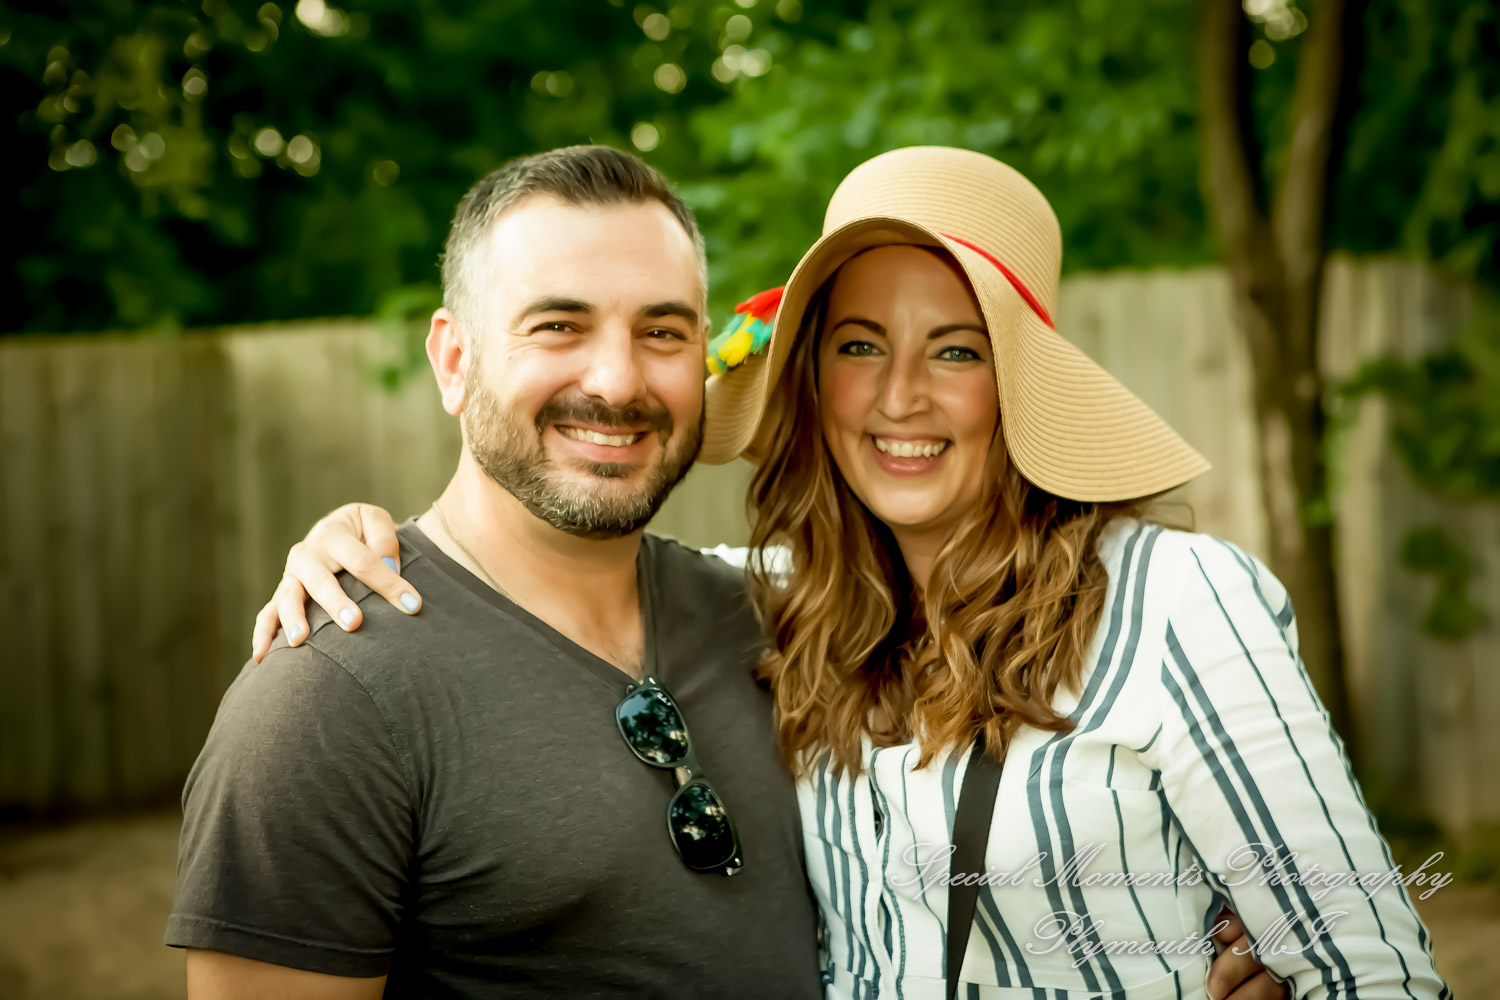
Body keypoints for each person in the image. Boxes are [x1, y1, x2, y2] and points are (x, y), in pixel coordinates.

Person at [240, 148, 1419, 998]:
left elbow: (1370, 967)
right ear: (812, 374)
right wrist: (361, 537)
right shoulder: (774, 605)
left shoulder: (1171, 599)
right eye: (861, 345)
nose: (901, 396)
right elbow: (546, 564)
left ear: (1017, 386)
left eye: (955, 350)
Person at [166, 146, 823, 999]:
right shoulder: (329, 700)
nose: (617, 381)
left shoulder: (773, 620)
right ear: (454, 360)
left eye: (662, 332)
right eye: (558, 325)